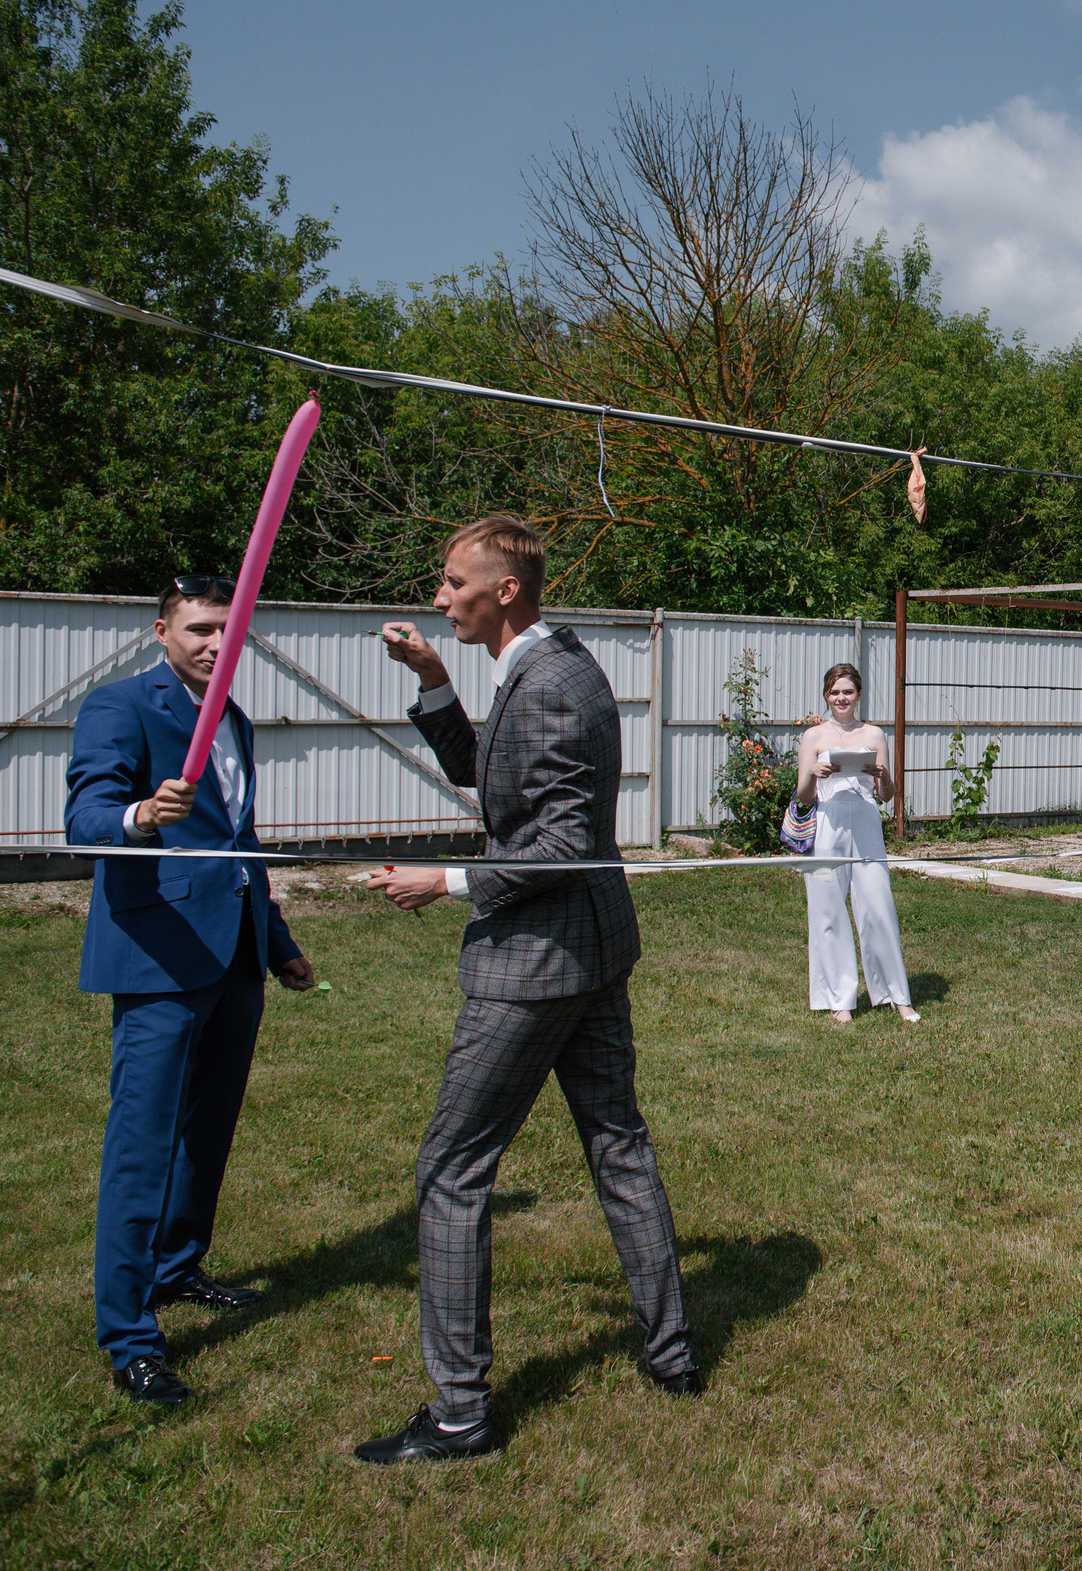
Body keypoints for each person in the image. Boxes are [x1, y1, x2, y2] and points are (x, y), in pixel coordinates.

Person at [357, 515, 695, 1464]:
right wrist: (433, 681)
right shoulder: (551, 667)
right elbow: (490, 778)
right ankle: (672, 1355)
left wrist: (448, 881)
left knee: (451, 1169)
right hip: (591, 949)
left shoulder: (548, 684)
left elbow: (554, 844)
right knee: (619, 1145)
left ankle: (460, 1414)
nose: (439, 595)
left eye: (453, 581)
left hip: (537, 965)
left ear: (506, 589)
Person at [64, 576, 318, 1407]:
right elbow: (85, 818)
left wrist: (276, 945)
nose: (217, 645)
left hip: (235, 957)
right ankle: (131, 1334)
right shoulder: (122, 706)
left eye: (229, 631)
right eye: (202, 630)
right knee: (141, 1144)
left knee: (208, 1129)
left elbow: (240, 840)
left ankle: (177, 1267)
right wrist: (141, 814)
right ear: (162, 631)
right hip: (159, 959)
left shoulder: (235, 719)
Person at [796, 662, 914, 1026]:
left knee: (879, 907)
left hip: (865, 821)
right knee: (828, 911)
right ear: (826, 696)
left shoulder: (875, 734)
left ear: (858, 695)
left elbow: (888, 795)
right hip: (827, 823)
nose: (841, 698)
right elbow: (802, 797)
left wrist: (883, 775)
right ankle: (838, 999)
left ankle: (897, 996)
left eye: (847, 691)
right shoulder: (813, 738)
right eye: (834, 692)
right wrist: (813, 774)